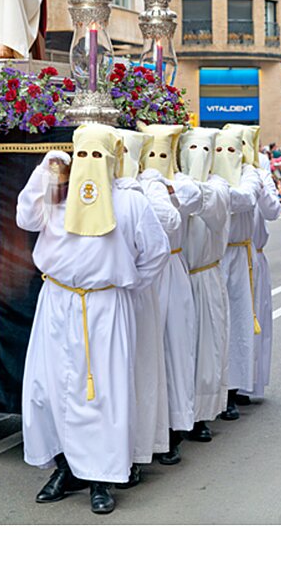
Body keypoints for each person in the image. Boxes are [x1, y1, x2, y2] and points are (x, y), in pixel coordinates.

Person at [17, 124, 170, 515]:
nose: (89, 163)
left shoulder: (129, 202)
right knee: (48, 389)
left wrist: (125, 285)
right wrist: (44, 171)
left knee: (103, 394)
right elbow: (25, 218)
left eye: (98, 155)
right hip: (57, 302)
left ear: (113, 159)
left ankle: (102, 478)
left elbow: (156, 252)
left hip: (105, 306)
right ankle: (65, 468)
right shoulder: (57, 196)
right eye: (82, 154)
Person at [137, 123, 203, 465]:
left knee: (176, 348)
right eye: (149, 153)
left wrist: (163, 184)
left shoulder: (181, 183)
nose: (155, 160)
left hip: (173, 270)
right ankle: (149, 431)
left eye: (162, 153)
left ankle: (176, 428)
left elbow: (190, 203)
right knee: (148, 352)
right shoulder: (135, 185)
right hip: (145, 275)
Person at [115, 129, 173, 484]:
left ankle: (139, 448)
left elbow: (162, 238)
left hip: (136, 294)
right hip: (106, 299)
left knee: (140, 370)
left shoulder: (141, 193)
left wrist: (133, 281)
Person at [178, 128, 231, 442]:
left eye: (204, 150)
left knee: (206, 350)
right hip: (178, 277)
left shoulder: (218, 186)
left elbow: (205, 204)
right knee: (177, 351)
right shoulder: (172, 181)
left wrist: (179, 186)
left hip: (205, 276)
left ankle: (200, 416)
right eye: (191, 149)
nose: (198, 156)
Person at [211, 125, 261, 420]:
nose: (224, 155)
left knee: (238, 322)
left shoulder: (248, 172)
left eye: (231, 150)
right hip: (211, 258)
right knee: (213, 325)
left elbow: (246, 198)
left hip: (239, 256)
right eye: (219, 150)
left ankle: (232, 390)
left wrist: (216, 192)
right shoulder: (208, 174)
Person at [236, 126, 281, 403]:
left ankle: (249, 383)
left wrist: (260, 186)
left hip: (254, 255)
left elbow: (273, 211)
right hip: (229, 257)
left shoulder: (261, 174)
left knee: (255, 320)